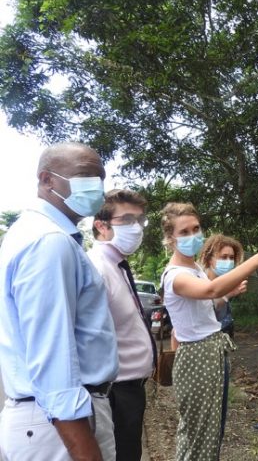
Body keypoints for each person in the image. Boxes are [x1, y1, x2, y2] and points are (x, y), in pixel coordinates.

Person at [0, 142, 118, 461]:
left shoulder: (36, 234)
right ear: (46, 180)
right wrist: (86, 452)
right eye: (83, 175)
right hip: (60, 426)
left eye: (100, 177)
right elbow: (53, 362)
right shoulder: (49, 243)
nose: (95, 186)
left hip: (51, 422)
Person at [159, 202, 258, 460]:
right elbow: (209, 291)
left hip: (210, 352)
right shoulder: (174, 275)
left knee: (210, 432)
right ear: (170, 238)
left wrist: (226, 296)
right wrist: (257, 259)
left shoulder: (194, 269)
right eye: (184, 232)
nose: (193, 235)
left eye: (196, 228)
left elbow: (207, 303)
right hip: (197, 357)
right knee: (198, 435)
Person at [87, 189, 156, 461]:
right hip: (116, 393)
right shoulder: (98, 268)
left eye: (140, 221)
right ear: (101, 226)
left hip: (129, 390)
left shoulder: (118, 267)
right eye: (127, 220)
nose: (137, 228)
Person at [199, 234, 247, 338]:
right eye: (223, 257)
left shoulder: (226, 283)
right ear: (209, 259)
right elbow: (207, 312)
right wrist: (228, 295)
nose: (229, 262)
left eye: (231, 258)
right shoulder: (200, 282)